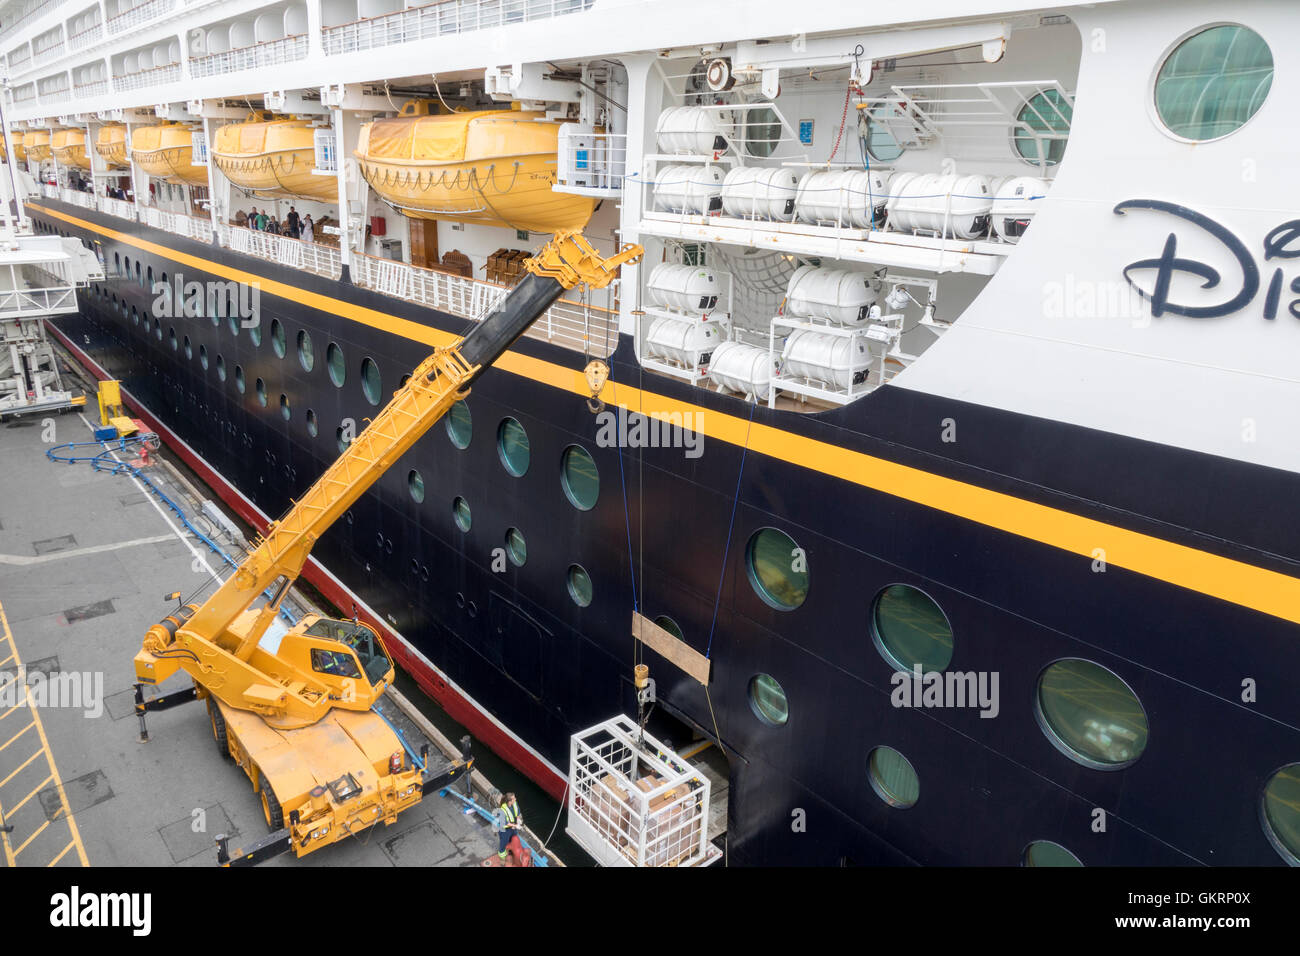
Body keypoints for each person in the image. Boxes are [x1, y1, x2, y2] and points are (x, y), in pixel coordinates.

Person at [496, 792, 522, 862]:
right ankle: (501, 853)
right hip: (505, 829)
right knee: (504, 841)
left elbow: (517, 813)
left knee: (513, 837)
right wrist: (515, 825)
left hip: (513, 827)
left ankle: (511, 848)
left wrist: (518, 819)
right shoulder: (502, 810)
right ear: (510, 801)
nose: (515, 799)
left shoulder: (514, 804)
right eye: (514, 798)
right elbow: (505, 823)